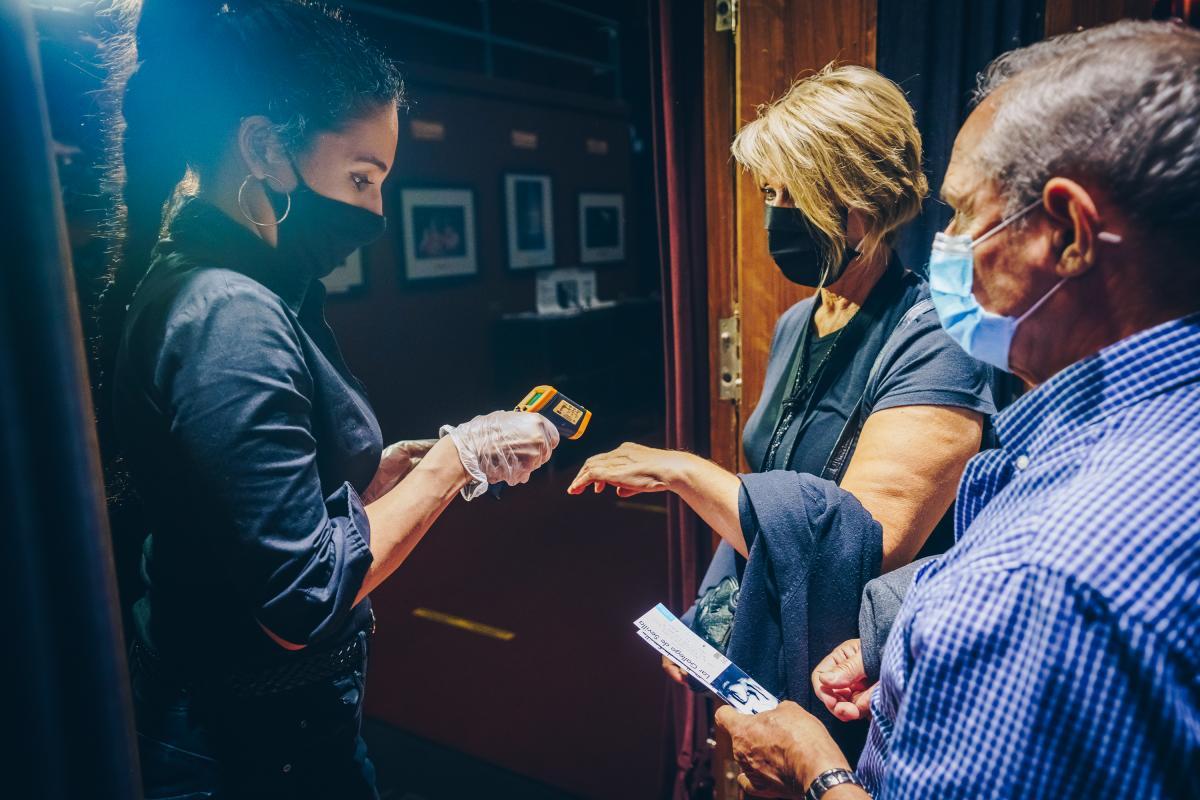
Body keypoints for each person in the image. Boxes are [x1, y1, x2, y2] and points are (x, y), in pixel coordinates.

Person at [715, 20, 1200, 799]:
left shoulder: (1040, 578)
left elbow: (880, 540)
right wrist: (906, 637)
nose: (951, 241)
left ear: (1070, 234)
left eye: (966, 212)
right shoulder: (1137, 437)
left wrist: (814, 769)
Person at [98, 3, 558, 798]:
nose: (374, 211)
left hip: (257, 723)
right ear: (263, 149)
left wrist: (371, 479)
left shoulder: (248, 285)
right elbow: (299, 602)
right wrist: (457, 459)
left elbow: (233, 507)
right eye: (360, 178)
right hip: (248, 750)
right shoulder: (232, 313)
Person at [568, 65, 996, 755]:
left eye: (795, 194)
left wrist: (682, 471)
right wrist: (709, 619)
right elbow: (767, 488)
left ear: (863, 201)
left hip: (862, 688)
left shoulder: (936, 340)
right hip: (780, 670)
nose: (776, 213)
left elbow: (865, 546)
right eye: (770, 191)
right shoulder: (800, 321)